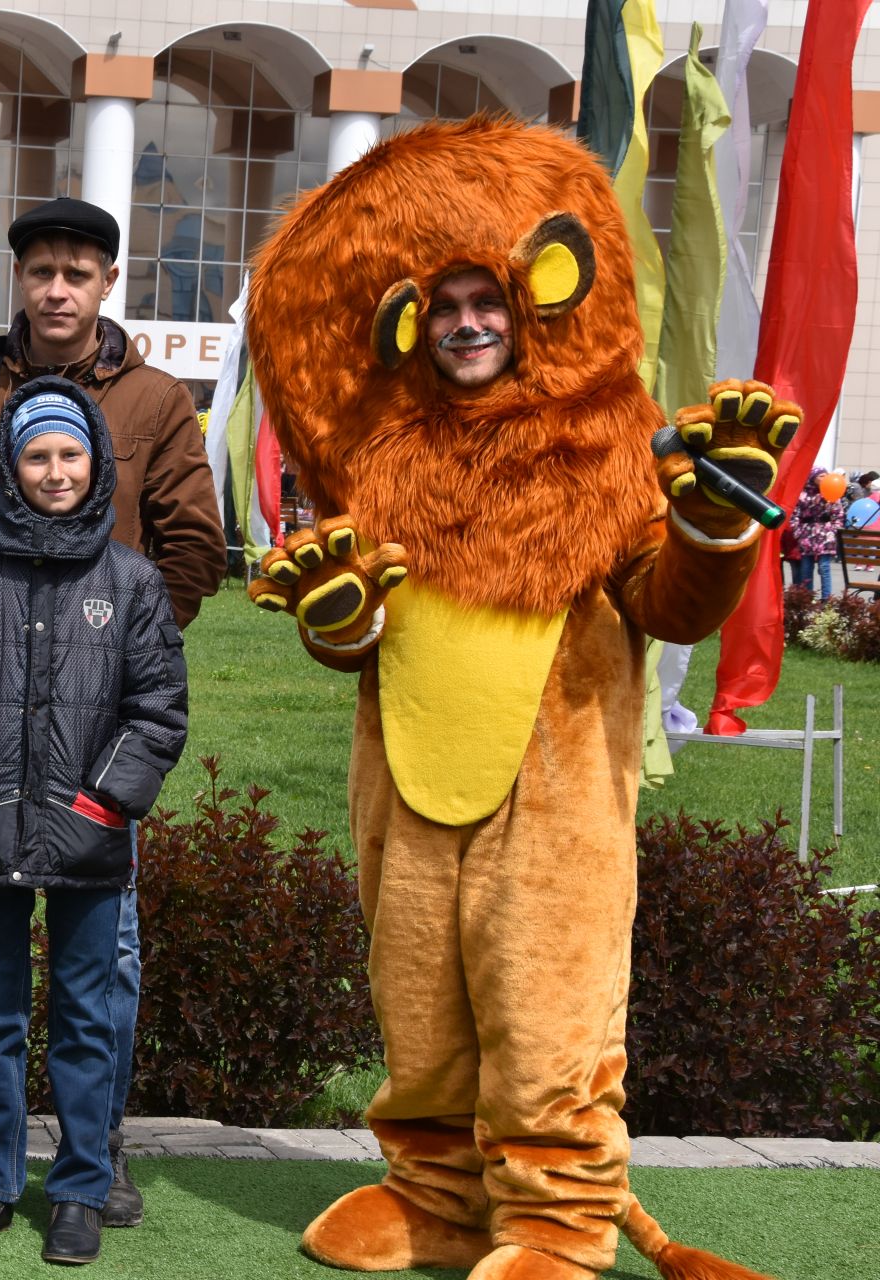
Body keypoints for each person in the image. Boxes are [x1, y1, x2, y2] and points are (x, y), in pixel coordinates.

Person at [245, 116, 789, 1279]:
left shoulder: (608, 447)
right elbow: (365, 622)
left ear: (529, 300)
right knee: (422, 1006)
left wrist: (712, 524)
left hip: (552, 802)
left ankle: (557, 1218)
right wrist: (342, 622)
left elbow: (669, 600)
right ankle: (436, 1192)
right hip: (406, 786)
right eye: (443, 308)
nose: (468, 323)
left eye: (486, 301)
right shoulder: (386, 459)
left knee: (546, 1020)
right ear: (415, 326)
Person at [0, 196, 224, 1226]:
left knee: (101, 972)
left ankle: (96, 1156)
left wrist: (126, 634)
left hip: (95, 730)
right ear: (20, 278)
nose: (56, 289)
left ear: (104, 284)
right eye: (40, 270)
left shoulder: (154, 398)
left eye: (76, 273)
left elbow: (192, 544)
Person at [0, 379, 188, 1266]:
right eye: (37, 455)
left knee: (88, 1014)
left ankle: (79, 1186)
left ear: (96, 463)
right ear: (13, 468)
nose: (55, 471)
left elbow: (158, 709)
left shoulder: (132, 580)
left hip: (91, 835)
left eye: (71, 454)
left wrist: (104, 802)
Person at [790, 467, 845, 596]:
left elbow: (838, 513)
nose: (824, 478)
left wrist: (834, 529)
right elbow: (794, 514)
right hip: (806, 533)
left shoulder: (831, 492)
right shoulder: (802, 494)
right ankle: (808, 597)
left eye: (826, 475)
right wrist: (796, 531)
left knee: (824, 567)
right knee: (806, 568)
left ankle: (826, 599)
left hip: (825, 534)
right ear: (813, 477)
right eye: (821, 476)